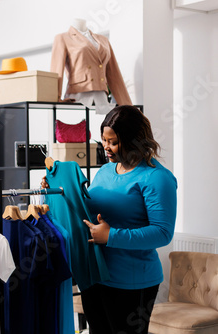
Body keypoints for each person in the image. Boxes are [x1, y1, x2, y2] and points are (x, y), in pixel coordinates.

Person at [80, 105, 177, 334]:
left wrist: (111, 236)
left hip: (132, 282)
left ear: (135, 141)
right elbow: (88, 209)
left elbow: (163, 233)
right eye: (104, 140)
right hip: (95, 276)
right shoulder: (105, 171)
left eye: (113, 142)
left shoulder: (156, 178)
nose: (106, 147)